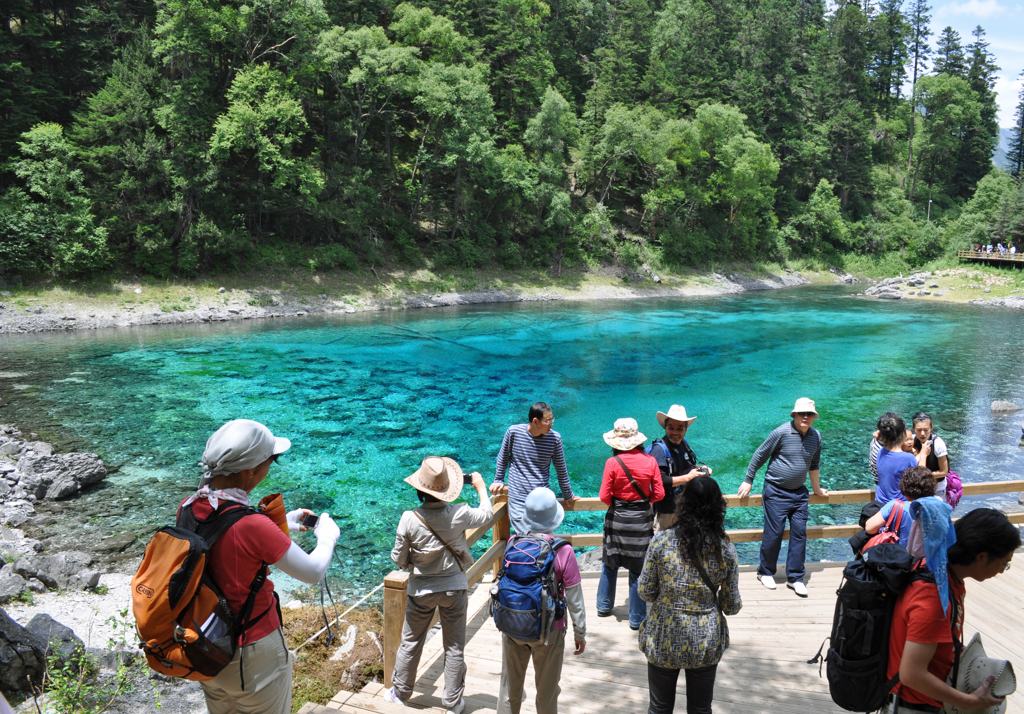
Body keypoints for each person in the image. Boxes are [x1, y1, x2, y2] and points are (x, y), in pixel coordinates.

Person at [184, 419, 341, 714]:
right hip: (253, 653)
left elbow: (230, 538)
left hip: (207, 644)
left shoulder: (189, 506)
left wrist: (284, 524)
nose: (269, 468)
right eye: (271, 461)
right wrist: (327, 538)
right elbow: (312, 572)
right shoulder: (253, 526)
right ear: (250, 470)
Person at [387, 457, 494, 714]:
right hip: (454, 589)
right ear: (447, 489)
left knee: (411, 641)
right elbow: (488, 514)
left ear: (419, 488)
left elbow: (399, 560)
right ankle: (452, 702)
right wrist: (479, 485)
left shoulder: (409, 518)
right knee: (454, 646)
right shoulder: (460, 513)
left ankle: (400, 693)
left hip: (421, 591)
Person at [887, 507, 1020, 712]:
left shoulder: (943, 573)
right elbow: (912, 674)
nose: (1002, 571)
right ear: (982, 557)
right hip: (915, 706)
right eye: (1004, 563)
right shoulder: (933, 597)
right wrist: (969, 702)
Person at [638, 476, 742, 714]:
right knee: (701, 709)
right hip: (705, 640)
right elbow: (731, 605)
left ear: (682, 505)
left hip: (664, 633)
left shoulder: (661, 542)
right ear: (718, 508)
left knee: (659, 708)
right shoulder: (725, 550)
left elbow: (645, 591)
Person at [496, 488, 587, 714]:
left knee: (509, 690)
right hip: (548, 631)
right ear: (554, 518)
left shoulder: (513, 543)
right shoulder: (563, 551)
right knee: (547, 693)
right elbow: (575, 599)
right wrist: (580, 632)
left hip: (512, 625)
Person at [739, 398, 828, 597]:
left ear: (814, 417)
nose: (806, 417)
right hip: (776, 491)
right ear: (794, 415)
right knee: (774, 532)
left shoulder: (816, 437)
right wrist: (748, 480)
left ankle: (795, 577)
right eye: (801, 413)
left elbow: (814, 465)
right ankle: (766, 572)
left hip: (799, 493)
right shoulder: (781, 432)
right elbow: (759, 455)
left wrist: (817, 489)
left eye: (809, 414)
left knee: (799, 534)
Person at [597, 418, 665, 629]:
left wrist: (619, 506)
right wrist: (643, 503)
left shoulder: (612, 463)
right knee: (638, 569)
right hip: (641, 521)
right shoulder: (650, 461)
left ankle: (603, 606)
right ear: (638, 441)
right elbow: (660, 493)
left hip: (617, 519)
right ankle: (636, 619)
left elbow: (603, 496)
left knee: (610, 564)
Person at [491, 402, 579, 534]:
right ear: (536, 421)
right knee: (527, 540)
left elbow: (561, 468)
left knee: (543, 543)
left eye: (552, 419)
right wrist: (498, 479)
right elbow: (503, 457)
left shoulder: (555, 438)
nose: (552, 424)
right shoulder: (513, 432)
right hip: (518, 499)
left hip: (542, 502)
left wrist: (567, 494)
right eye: (548, 420)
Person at [648, 405, 713, 532]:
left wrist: (700, 469)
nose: (675, 432)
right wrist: (689, 477)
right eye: (671, 428)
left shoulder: (684, 444)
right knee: (663, 548)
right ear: (665, 427)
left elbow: (684, 468)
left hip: (685, 507)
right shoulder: (659, 450)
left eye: (680, 428)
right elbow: (660, 480)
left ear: (686, 429)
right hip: (666, 511)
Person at [864, 466, 937, 546]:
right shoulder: (937, 509)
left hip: (900, 555)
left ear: (904, 488)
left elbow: (869, 528)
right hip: (925, 556)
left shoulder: (896, 506)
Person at [875, 413, 918, 505]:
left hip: (880, 503)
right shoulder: (908, 458)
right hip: (898, 508)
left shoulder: (880, 452)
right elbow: (919, 482)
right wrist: (923, 455)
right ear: (903, 434)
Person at [911, 412, 950, 497]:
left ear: (931, 428)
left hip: (936, 489)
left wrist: (921, 476)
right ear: (913, 428)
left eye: (926, 430)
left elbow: (944, 472)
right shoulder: (911, 440)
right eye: (918, 430)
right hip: (918, 488)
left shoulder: (938, 444)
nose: (922, 433)